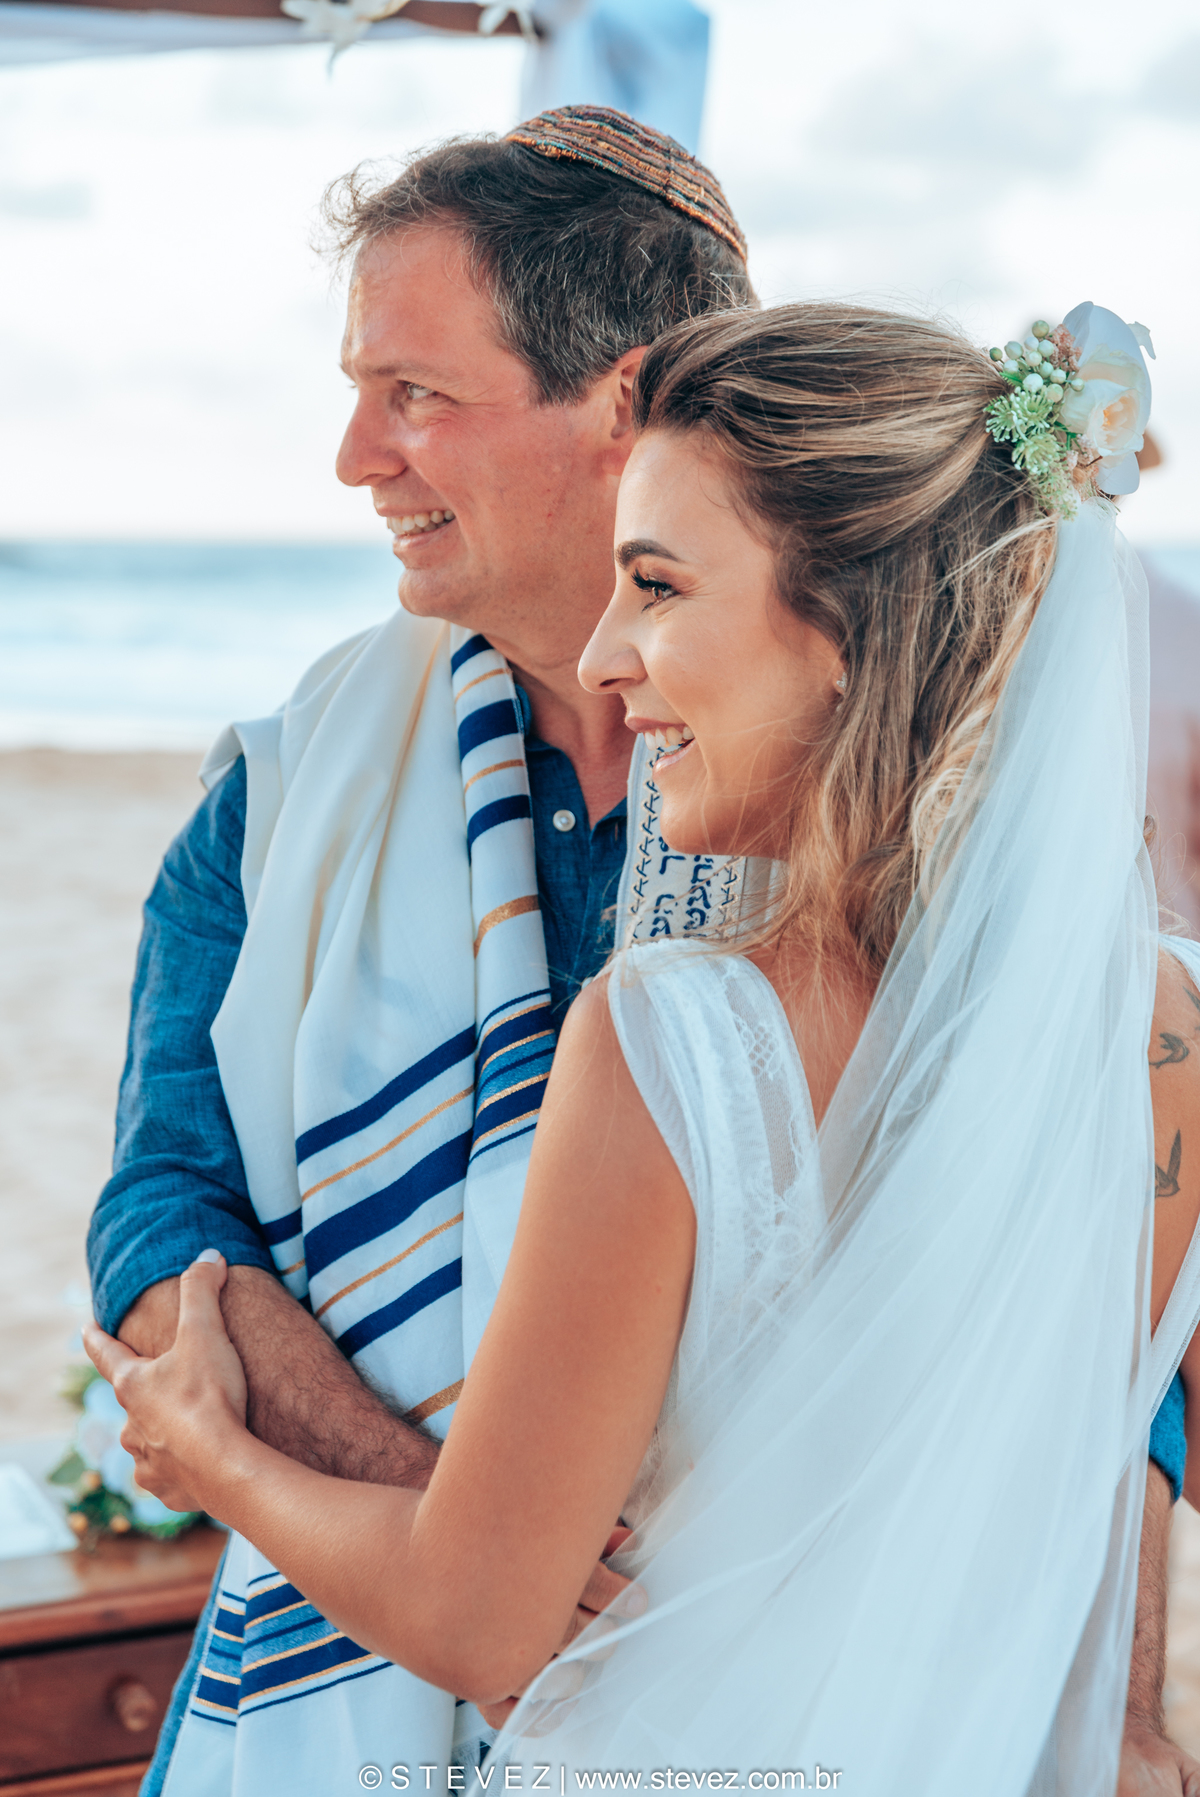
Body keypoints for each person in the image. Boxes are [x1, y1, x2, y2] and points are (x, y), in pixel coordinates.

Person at [83, 113, 1191, 1792]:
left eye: (414, 392)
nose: (353, 457)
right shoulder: (285, 792)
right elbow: (162, 1215)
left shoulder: (713, 984)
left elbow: (1096, 1349)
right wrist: (450, 1493)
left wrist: (1116, 1705)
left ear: (624, 393)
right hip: (371, 1682)